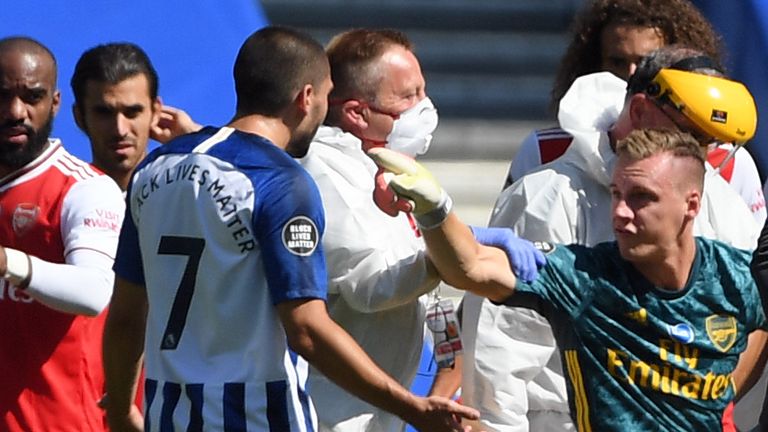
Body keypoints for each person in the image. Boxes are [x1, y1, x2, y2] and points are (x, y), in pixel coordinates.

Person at [101, 26, 478, 431]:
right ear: (306, 97)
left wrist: (121, 408)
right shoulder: (283, 182)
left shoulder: (155, 170)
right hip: (257, 417)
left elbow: (125, 316)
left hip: (169, 414)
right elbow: (308, 331)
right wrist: (410, 408)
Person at [368, 127, 768, 431]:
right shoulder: (583, 277)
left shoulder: (735, 276)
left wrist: (727, 388)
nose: (621, 213)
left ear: (691, 205)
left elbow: (761, 324)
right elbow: (470, 267)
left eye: (641, 198)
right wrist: (434, 209)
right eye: (616, 194)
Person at [455, 46, 764, 431]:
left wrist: (710, 405)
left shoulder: (722, 202)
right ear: (638, 111)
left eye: (710, 141)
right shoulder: (552, 197)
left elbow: (756, 319)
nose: (700, 154)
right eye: (690, 133)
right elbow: (499, 346)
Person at [505, 0, 766, 224]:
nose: (633, 76)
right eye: (618, 62)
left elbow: (752, 268)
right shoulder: (545, 151)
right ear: (593, 64)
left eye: (645, 63)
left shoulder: (730, 163)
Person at [0, 37, 125, 430]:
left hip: (60, 423)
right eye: (2, 96)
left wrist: (8, 262)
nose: (15, 111)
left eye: (31, 97)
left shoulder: (84, 189)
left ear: (54, 103)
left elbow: (93, 292)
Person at [71, 42, 201, 191]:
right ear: (80, 117)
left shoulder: (185, 194)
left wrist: (199, 141)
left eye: (132, 113)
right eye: (105, 113)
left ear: (155, 112)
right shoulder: (64, 205)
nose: (120, 130)